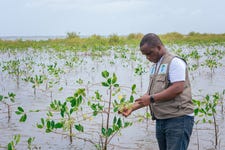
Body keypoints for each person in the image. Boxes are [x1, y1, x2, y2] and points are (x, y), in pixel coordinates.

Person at [120, 33, 194, 150]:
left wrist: (151, 99)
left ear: (159, 47)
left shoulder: (175, 62)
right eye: (145, 55)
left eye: (149, 53)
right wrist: (132, 108)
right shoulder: (155, 67)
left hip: (178, 119)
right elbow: (149, 95)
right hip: (161, 119)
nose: (148, 57)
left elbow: (177, 88)